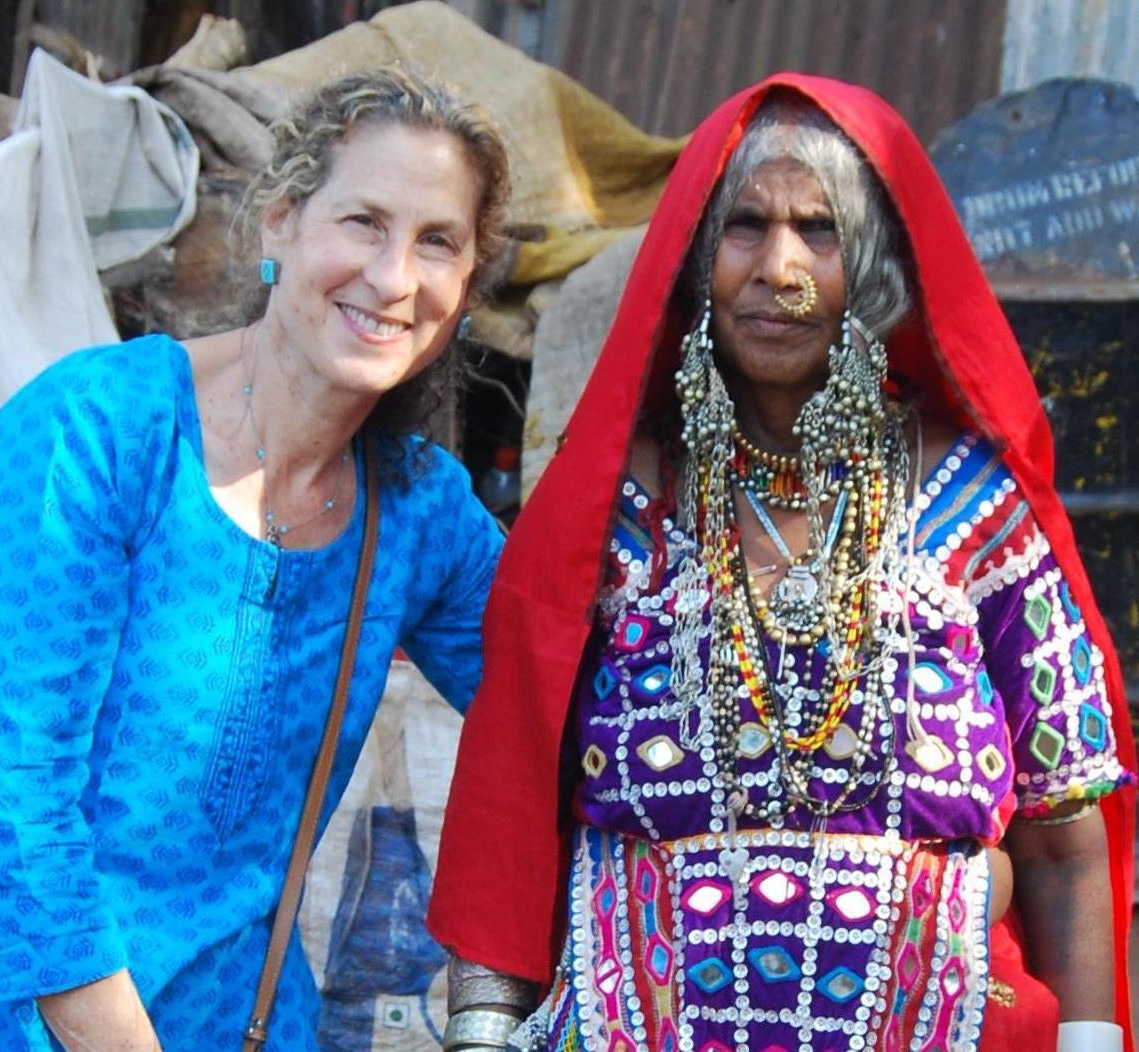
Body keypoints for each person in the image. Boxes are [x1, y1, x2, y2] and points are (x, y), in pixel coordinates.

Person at [427, 75, 1135, 1052]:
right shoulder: (608, 512)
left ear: (874, 265)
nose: (780, 266)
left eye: (822, 229)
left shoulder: (974, 511)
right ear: (692, 259)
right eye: (744, 226)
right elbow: (510, 793)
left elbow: (1062, 841)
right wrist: (478, 1033)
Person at [0, 66, 510, 1051]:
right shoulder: (98, 433)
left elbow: (562, 696)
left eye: (436, 241)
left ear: (465, 285)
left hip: (234, 1021)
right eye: (362, 221)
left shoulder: (415, 506)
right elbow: (13, 810)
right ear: (280, 224)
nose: (394, 276)